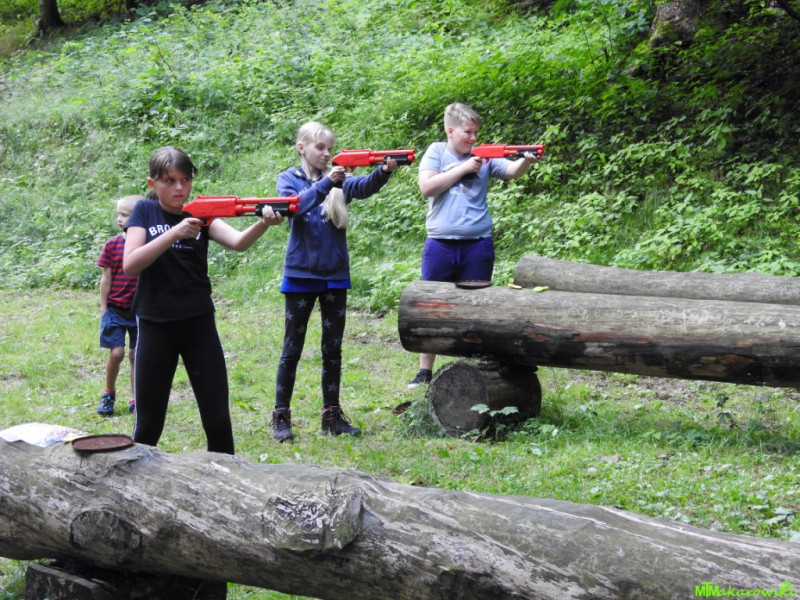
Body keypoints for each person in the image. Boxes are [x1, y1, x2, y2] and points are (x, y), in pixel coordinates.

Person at [123, 145, 283, 455]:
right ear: (152, 183)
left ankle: (225, 477)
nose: (179, 188)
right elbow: (130, 264)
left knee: (218, 419)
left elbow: (238, 242)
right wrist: (174, 233)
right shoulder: (144, 210)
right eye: (170, 181)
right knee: (148, 423)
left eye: (185, 179)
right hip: (155, 324)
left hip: (198, 323)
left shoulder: (201, 212)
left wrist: (264, 222)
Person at [270, 121, 404, 442]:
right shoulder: (289, 179)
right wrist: (326, 184)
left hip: (335, 276)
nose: (326, 153)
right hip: (300, 275)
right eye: (320, 147)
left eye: (329, 148)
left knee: (333, 349)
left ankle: (331, 416)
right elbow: (294, 207)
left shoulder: (339, 178)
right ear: (301, 148)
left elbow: (363, 187)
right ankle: (281, 415)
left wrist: (384, 171)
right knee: (291, 349)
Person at [408, 102, 541, 388]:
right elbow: (427, 187)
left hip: (477, 244)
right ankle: (424, 371)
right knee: (432, 306)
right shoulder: (437, 151)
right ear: (450, 130)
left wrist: (526, 160)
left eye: (475, 132)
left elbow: (512, 171)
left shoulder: (484, 154)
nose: (473, 138)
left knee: (477, 307)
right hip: (440, 244)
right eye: (467, 132)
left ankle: (474, 367)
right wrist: (463, 168)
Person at [96, 194, 144, 416]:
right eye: (118, 214)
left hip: (139, 311)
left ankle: (136, 398)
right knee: (116, 353)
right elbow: (106, 278)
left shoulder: (146, 246)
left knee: (136, 355)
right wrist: (104, 308)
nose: (119, 219)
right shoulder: (112, 245)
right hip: (115, 309)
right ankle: (109, 393)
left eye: (125, 215)